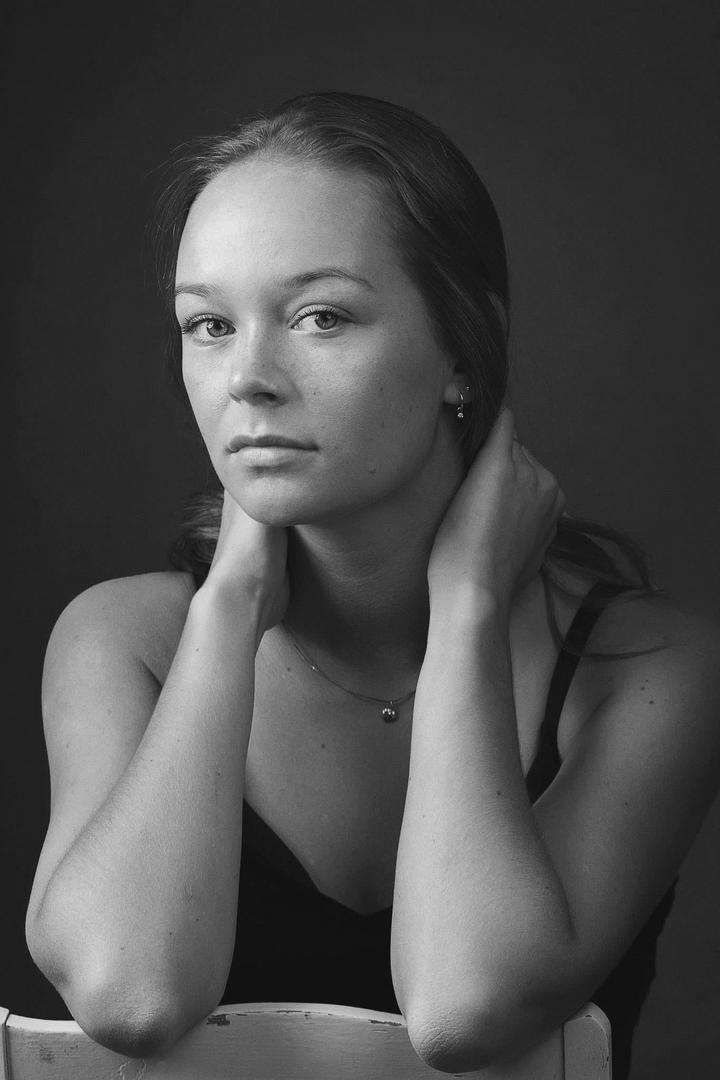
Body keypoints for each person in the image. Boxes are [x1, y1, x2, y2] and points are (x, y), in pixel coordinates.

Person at [25, 91, 720, 1077]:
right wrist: (229, 606)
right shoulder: (123, 637)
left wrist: (469, 608)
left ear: (463, 351)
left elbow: (465, 1013)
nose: (248, 379)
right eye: (209, 324)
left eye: (322, 316)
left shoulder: (651, 669)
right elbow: (131, 997)